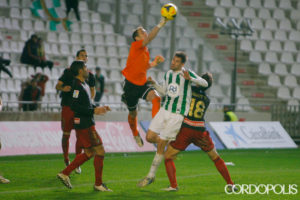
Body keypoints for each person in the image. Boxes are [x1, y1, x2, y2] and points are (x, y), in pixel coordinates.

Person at [138, 52, 208, 187]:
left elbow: (204, 83)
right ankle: (169, 146)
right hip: (165, 110)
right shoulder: (168, 74)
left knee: (161, 143)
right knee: (149, 136)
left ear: (182, 64)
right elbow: (164, 91)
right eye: (173, 60)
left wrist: (192, 79)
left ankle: (151, 175)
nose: (173, 63)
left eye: (176, 61)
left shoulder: (187, 73)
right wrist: (154, 84)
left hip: (177, 114)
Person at [163, 73, 235, 191]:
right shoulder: (207, 99)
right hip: (200, 131)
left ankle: (173, 186)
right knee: (215, 158)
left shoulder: (189, 90)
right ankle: (230, 184)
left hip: (186, 129)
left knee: (168, 157)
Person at [57, 61, 112, 191]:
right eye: (85, 67)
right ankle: (98, 184)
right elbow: (74, 106)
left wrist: (98, 108)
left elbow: (85, 105)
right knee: (100, 151)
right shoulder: (76, 86)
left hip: (85, 123)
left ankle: (65, 173)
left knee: (89, 152)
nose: (88, 69)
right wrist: (93, 111)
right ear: (80, 71)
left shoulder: (83, 85)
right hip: (85, 124)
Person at [121, 18, 169, 147]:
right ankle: (135, 133)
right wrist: (161, 23)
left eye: (145, 31)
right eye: (142, 32)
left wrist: (154, 63)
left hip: (142, 84)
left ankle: (155, 129)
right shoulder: (136, 45)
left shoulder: (145, 50)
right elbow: (150, 38)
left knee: (156, 98)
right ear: (137, 38)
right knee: (133, 113)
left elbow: (143, 66)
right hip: (130, 85)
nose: (145, 33)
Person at [55, 49, 95, 174]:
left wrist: (88, 102)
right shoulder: (68, 72)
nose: (84, 57)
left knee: (80, 135)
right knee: (66, 134)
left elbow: (92, 91)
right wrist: (63, 88)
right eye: (82, 55)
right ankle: (66, 158)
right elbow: (58, 86)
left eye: (86, 56)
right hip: (68, 107)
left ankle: (77, 161)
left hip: (81, 111)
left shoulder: (89, 75)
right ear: (76, 57)